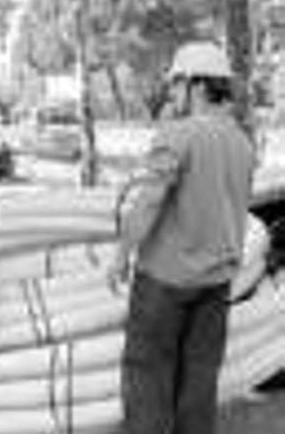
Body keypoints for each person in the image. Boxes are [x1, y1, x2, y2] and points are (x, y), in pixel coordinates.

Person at [108, 41, 256, 434]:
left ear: (198, 86)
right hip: (215, 285)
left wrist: (122, 253)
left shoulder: (178, 134)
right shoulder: (242, 142)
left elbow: (149, 202)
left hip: (164, 285)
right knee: (198, 386)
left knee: (147, 382)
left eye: (176, 85)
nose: (172, 94)